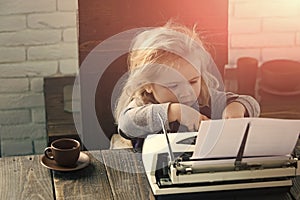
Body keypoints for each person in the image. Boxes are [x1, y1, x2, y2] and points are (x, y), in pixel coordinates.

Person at [114, 21, 260, 151]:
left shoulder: (204, 96)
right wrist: (175, 111)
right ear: (148, 85)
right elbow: (126, 124)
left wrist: (237, 107)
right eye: (173, 85)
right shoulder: (143, 103)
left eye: (193, 81)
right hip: (148, 169)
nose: (187, 92)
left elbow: (251, 102)